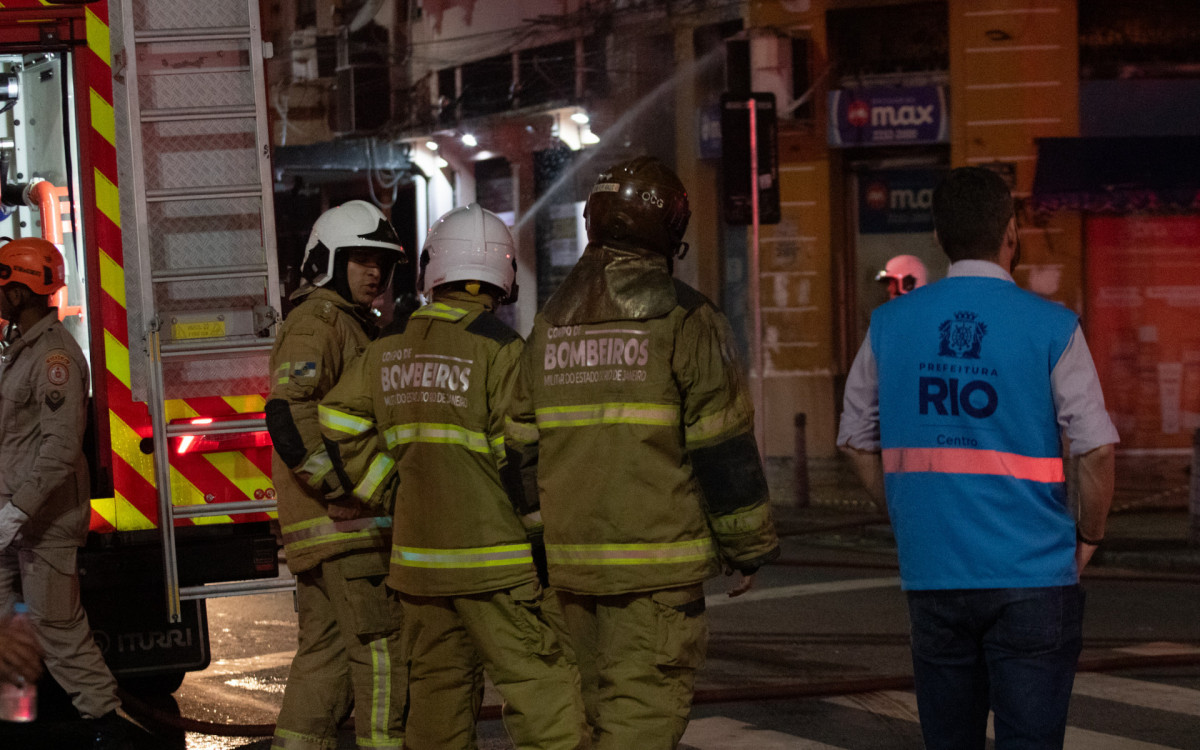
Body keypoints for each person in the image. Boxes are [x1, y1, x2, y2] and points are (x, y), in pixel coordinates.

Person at [837, 166, 1118, 750]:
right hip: (1035, 578)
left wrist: (907, 519)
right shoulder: (1053, 325)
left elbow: (854, 438)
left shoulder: (889, 323)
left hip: (934, 574)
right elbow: (1094, 448)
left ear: (938, 239)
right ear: (1011, 234)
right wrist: (1088, 536)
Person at [508, 156, 781, 749]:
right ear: (669, 230)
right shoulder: (686, 318)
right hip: (656, 576)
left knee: (576, 726)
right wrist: (748, 546)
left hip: (570, 576)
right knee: (640, 723)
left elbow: (520, 447)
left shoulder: (549, 325)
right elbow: (722, 444)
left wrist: (541, 544)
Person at [319, 204, 587, 750]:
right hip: (497, 566)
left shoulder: (386, 349)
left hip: (418, 568)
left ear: (431, 270)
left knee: (437, 704)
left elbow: (337, 419)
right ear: (503, 277)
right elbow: (523, 455)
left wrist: (384, 488)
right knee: (543, 693)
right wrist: (544, 546)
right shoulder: (501, 350)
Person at [265, 200, 408, 750]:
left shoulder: (346, 323)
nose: (375, 272)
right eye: (360, 260)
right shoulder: (321, 322)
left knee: (323, 661)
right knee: (382, 657)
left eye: (382, 263)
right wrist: (342, 489)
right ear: (327, 260)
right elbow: (288, 412)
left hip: (328, 537)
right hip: (346, 532)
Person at [0, 237, 138, 748]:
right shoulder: (21, 348)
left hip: (44, 519)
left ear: (19, 294)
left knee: (58, 629)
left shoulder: (54, 356)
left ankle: (108, 727)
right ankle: (15, 718)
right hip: (14, 515)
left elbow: (58, 449)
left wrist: (16, 512)